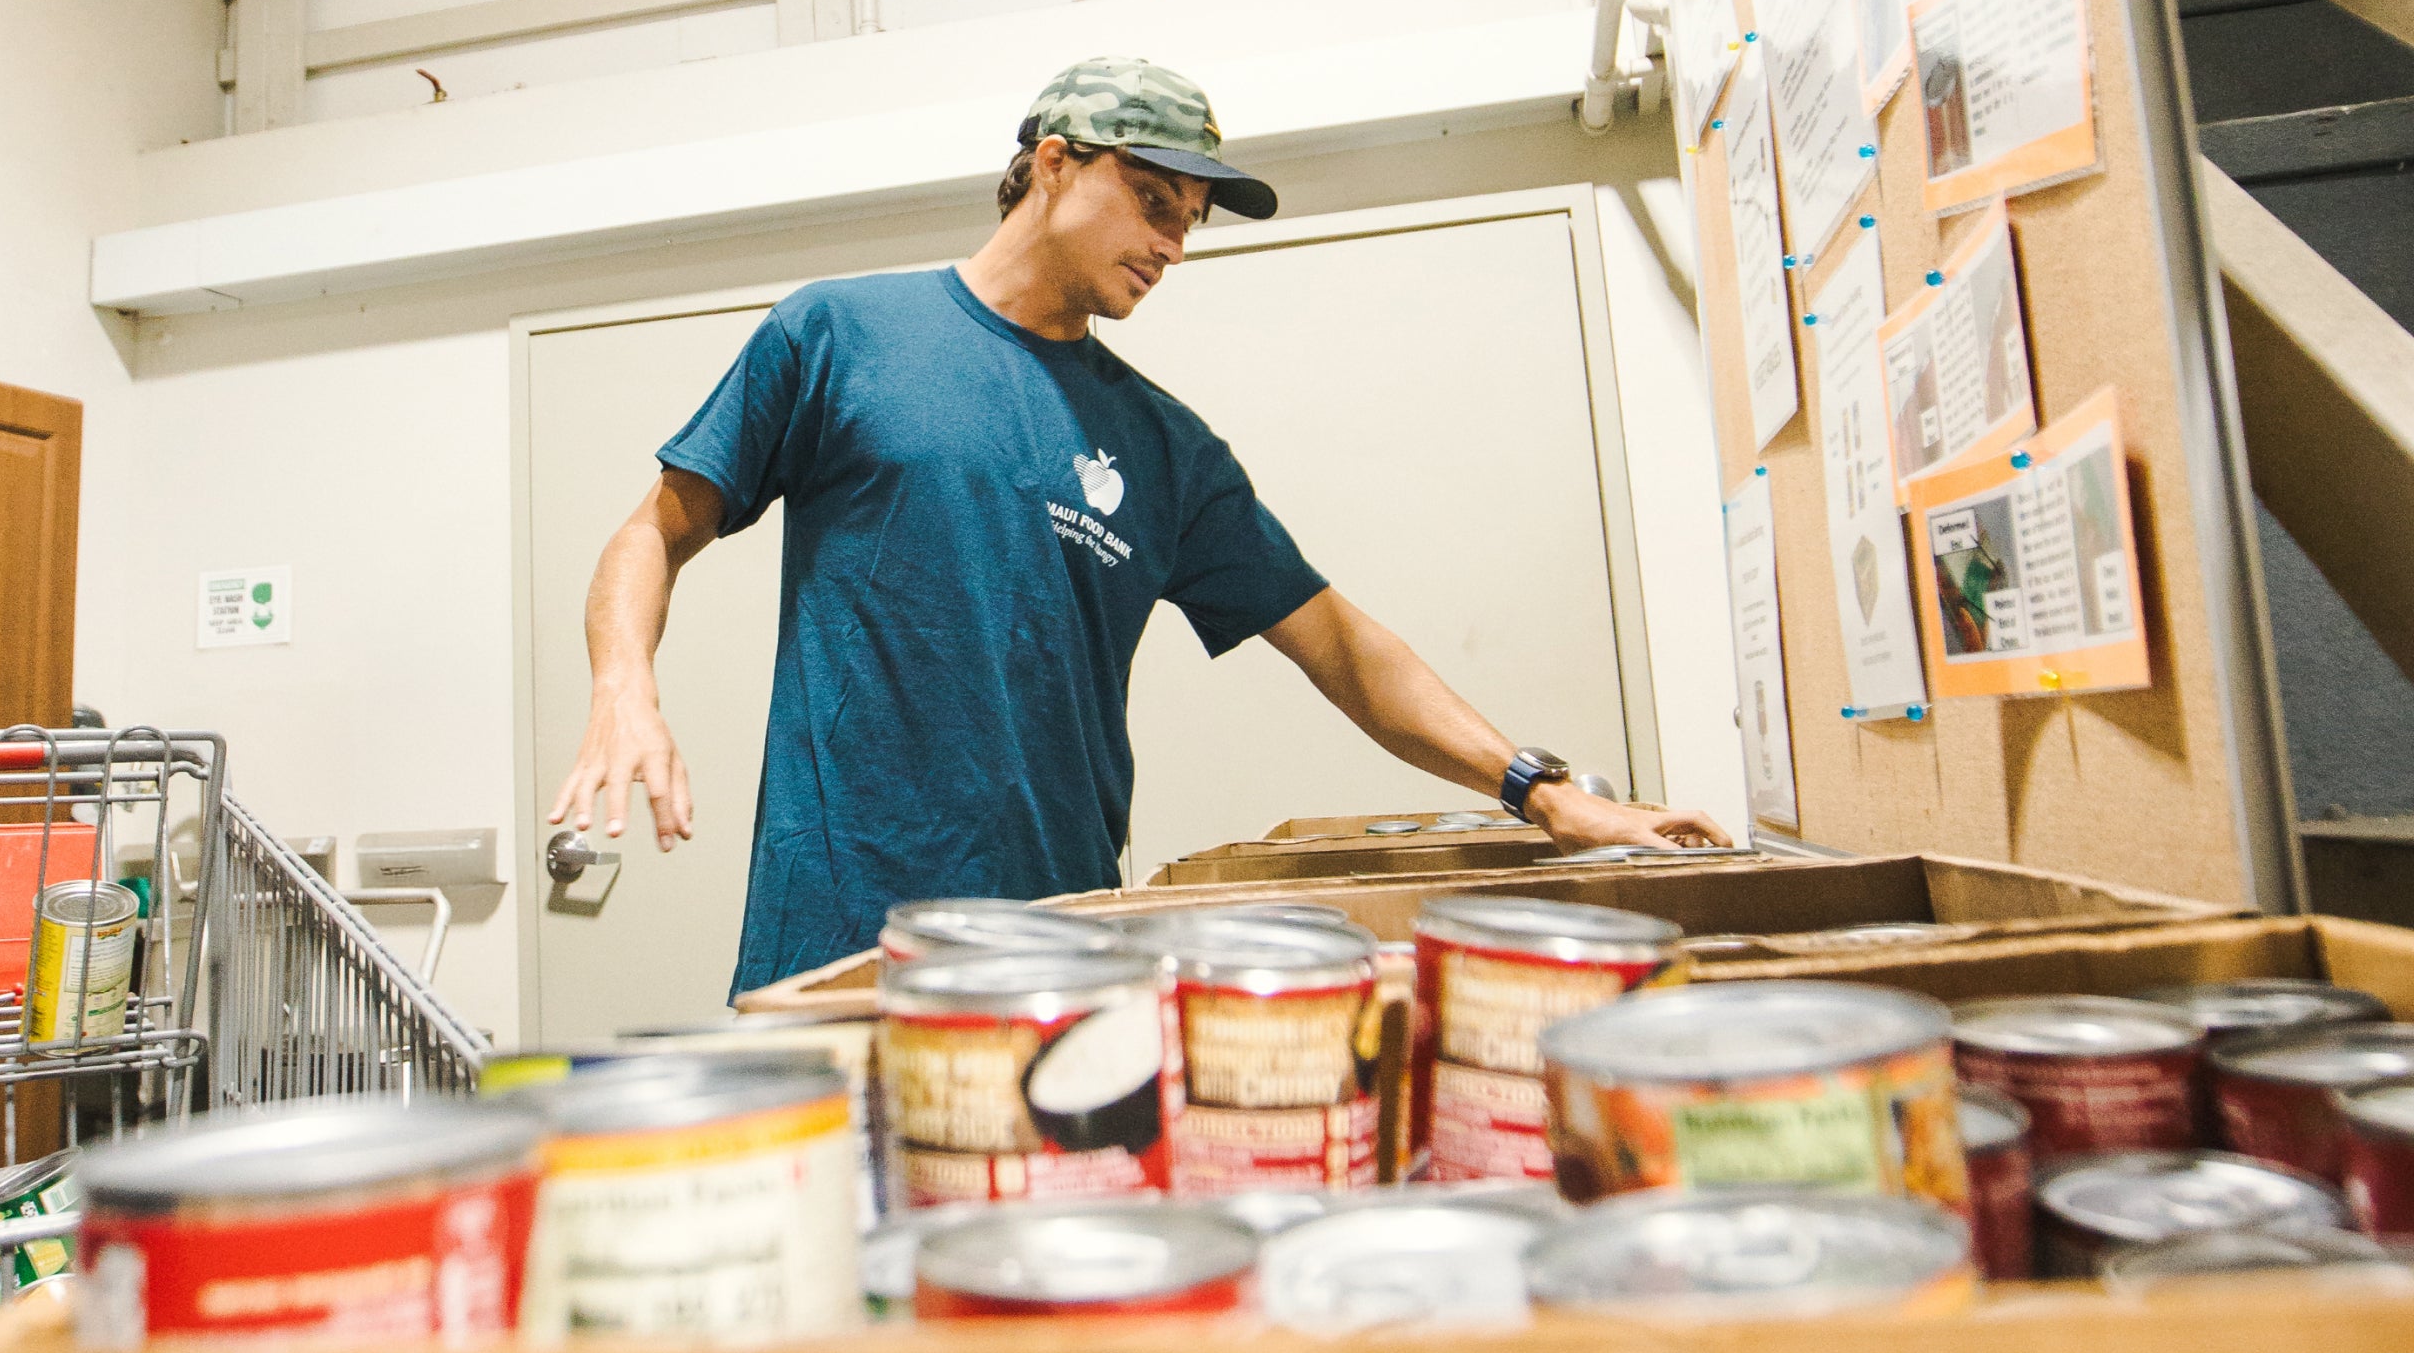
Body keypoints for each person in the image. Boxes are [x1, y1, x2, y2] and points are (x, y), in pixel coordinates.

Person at [555, 57, 1733, 994]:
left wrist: (1539, 786)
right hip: (836, 936)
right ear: (1053, 164)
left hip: (1066, 950)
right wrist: (624, 687)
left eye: (1193, 219)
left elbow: (1341, 645)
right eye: (1155, 202)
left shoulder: (1163, 448)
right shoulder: (838, 335)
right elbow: (652, 531)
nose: (1175, 242)